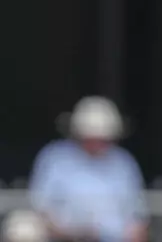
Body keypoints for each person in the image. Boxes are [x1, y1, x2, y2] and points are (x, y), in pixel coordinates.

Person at [28, 96, 148, 242]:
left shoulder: (124, 162)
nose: (96, 144)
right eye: (91, 138)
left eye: (102, 138)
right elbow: (41, 207)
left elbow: (138, 215)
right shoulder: (55, 158)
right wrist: (71, 234)